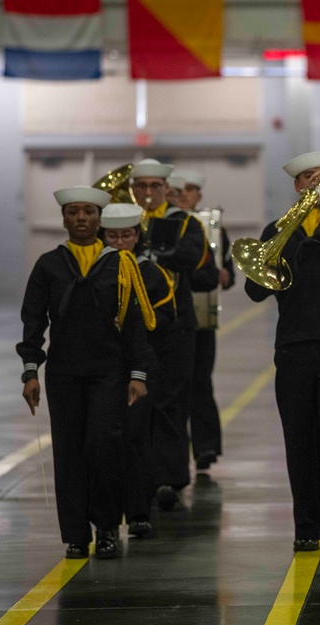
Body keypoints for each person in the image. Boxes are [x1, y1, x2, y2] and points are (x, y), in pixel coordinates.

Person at [17, 186, 153, 560]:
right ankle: (76, 535)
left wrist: (137, 374)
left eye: (89, 212)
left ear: (99, 219)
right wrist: (30, 370)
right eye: (74, 212)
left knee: (103, 446)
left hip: (108, 373)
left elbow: (135, 322)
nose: (81, 218)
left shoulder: (120, 264)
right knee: (69, 452)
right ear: (63, 218)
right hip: (62, 374)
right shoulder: (49, 264)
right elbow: (33, 319)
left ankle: (107, 527)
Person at [244, 151, 320, 556]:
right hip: (294, 344)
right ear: (296, 186)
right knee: (298, 437)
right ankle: (307, 525)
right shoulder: (277, 229)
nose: (315, 182)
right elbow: (255, 290)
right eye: (308, 178)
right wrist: (273, 254)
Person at [131, 158, 213, 510]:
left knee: (171, 401)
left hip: (176, 326)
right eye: (142, 187)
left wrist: (154, 253)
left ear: (167, 189)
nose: (148, 193)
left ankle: (169, 477)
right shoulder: (125, 222)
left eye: (155, 186)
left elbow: (193, 258)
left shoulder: (185, 223)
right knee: (138, 405)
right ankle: (141, 476)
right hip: (136, 326)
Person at [99, 202, 177, 539]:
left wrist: (138, 324)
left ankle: (139, 512)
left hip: (141, 366)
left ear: (137, 236)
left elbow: (167, 316)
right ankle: (105, 519)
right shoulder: (95, 270)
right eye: (113, 236)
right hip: (101, 368)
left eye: (127, 235)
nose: (120, 242)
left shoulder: (151, 272)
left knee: (136, 438)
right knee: (103, 443)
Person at [172, 168, 236, 471]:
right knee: (174, 387)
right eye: (180, 189)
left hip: (202, 321)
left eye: (191, 189)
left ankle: (206, 447)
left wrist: (223, 275)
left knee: (200, 382)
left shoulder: (214, 229)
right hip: (172, 320)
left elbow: (229, 273)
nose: (185, 194)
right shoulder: (166, 225)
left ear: (199, 195)